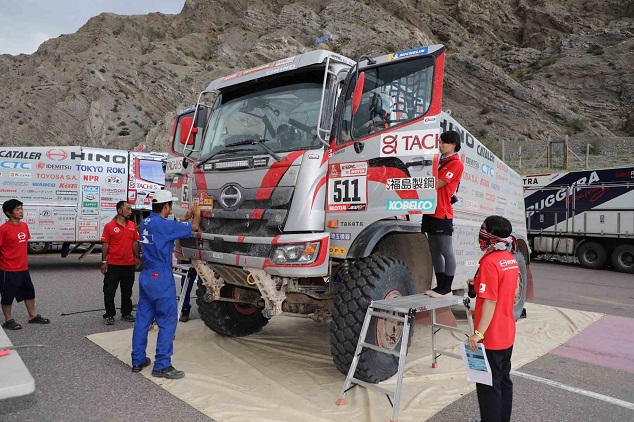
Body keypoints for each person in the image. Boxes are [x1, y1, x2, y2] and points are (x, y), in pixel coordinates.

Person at [131, 190, 200, 379]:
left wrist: (180, 220)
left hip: (146, 275)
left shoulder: (145, 222)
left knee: (143, 319)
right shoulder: (164, 225)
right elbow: (193, 227)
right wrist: (197, 214)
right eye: (170, 205)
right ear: (166, 206)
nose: (171, 208)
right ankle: (162, 365)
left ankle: (137, 360)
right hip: (161, 277)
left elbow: (165, 230)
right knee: (168, 321)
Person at [467, 215, 520, 422]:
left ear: (491, 235)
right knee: (503, 381)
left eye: (483, 228)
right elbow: (511, 291)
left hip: (491, 336)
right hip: (507, 331)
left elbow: (490, 302)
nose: (480, 231)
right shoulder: (510, 259)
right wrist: (479, 282)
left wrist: (478, 333)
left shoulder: (489, 263)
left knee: (488, 386)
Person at [422, 130, 464, 298]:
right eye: (439, 142)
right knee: (434, 251)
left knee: (446, 251)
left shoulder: (456, 163)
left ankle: (447, 288)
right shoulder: (439, 161)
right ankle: (440, 286)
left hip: (442, 213)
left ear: (453, 144)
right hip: (430, 211)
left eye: (444, 143)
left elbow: (438, 183)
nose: (440, 145)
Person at [0, 199, 50, 330]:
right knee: (7, 295)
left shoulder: (24, 226)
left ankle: (32, 316)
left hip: (23, 268)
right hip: (8, 269)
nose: (21, 211)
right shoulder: (3, 229)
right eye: (17, 209)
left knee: (29, 292)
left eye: (21, 208)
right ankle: (8, 320)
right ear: (8, 213)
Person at [100, 201, 141, 325]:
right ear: (119, 211)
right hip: (113, 264)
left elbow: (135, 243)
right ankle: (109, 314)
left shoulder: (132, 225)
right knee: (109, 291)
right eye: (128, 209)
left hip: (128, 264)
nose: (130, 211)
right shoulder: (109, 226)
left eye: (130, 209)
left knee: (127, 291)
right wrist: (103, 261)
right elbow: (105, 245)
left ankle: (126, 313)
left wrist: (137, 257)